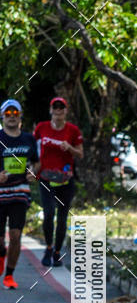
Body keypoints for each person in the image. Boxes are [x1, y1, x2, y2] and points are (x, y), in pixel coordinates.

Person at [34, 97, 83, 267]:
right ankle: (48, 248)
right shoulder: (41, 128)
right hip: (46, 178)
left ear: (66, 111)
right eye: (55, 107)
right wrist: (31, 170)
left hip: (65, 180)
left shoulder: (73, 130)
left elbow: (80, 153)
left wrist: (70, 148)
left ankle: (57, 252)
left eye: (61, 107)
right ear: (50, 110)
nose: (58, 110)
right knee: (48, 213)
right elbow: (34, 149)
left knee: (62, 218)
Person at [0, 99, 39, 289]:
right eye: (8, 114)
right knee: (0, 241)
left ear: (20, 116)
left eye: (15, 113)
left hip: (20, 193)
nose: (12, 117)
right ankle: (1, 254)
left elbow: (36, 163)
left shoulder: (28, 139)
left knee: (15, 235)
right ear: (2, 116)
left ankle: (9, 275)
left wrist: (33, 171)